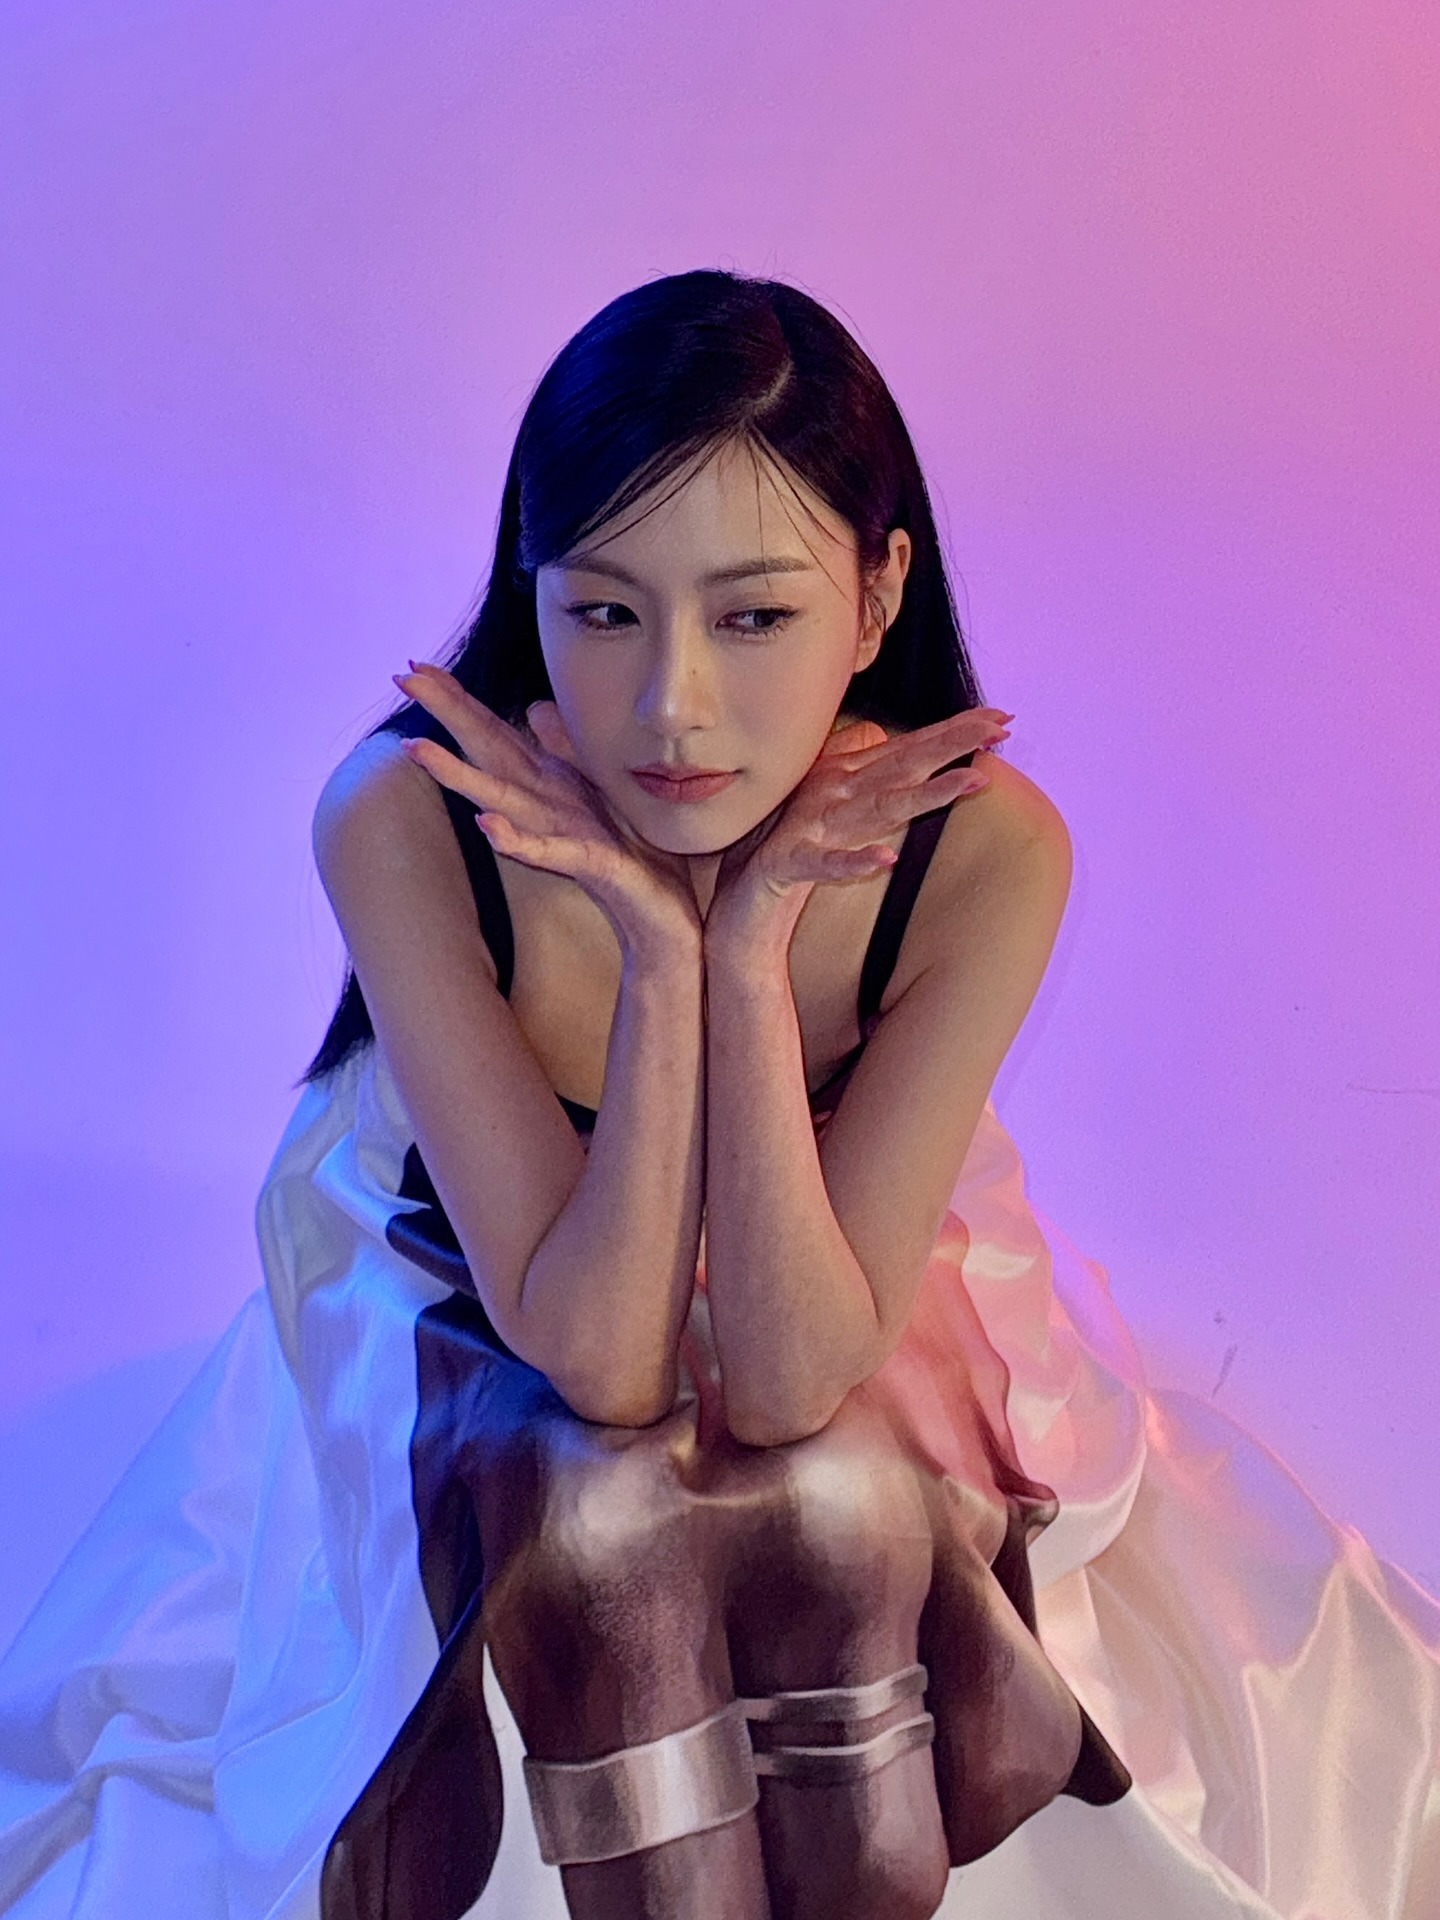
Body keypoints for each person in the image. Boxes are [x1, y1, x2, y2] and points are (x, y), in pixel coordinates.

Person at [0, 271, 1436, 1920]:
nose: (671, 706)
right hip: (469, 1243)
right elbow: (601, 1361)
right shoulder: (404, 818)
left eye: (753, 618)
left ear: (878, 597)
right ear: (527, 584)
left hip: (821, 1231)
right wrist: (653, 951)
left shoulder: (983, 850)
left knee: (846, 1499)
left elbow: (790, 1371)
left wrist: (743, 953)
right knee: (587, 1524)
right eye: (604, 613)